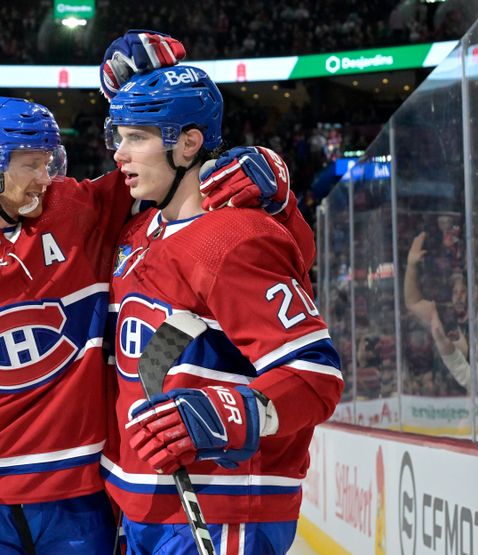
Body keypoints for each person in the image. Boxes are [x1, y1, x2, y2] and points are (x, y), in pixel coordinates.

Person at [0, 30, 291, 554]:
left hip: (80, 506)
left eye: (51, 162)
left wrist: (270, 185)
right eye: (32, 163)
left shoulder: (76, 216)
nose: (46, 178)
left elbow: (174, 160)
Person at [100, 64, 344, 554]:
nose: (119, 155)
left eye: (138, 138)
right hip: (142, 504)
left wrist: (227, 412)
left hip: (221, 506)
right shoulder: (138, 234)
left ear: (189, 144)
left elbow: (316, 375)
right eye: (119, 137)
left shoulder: (234, 238)